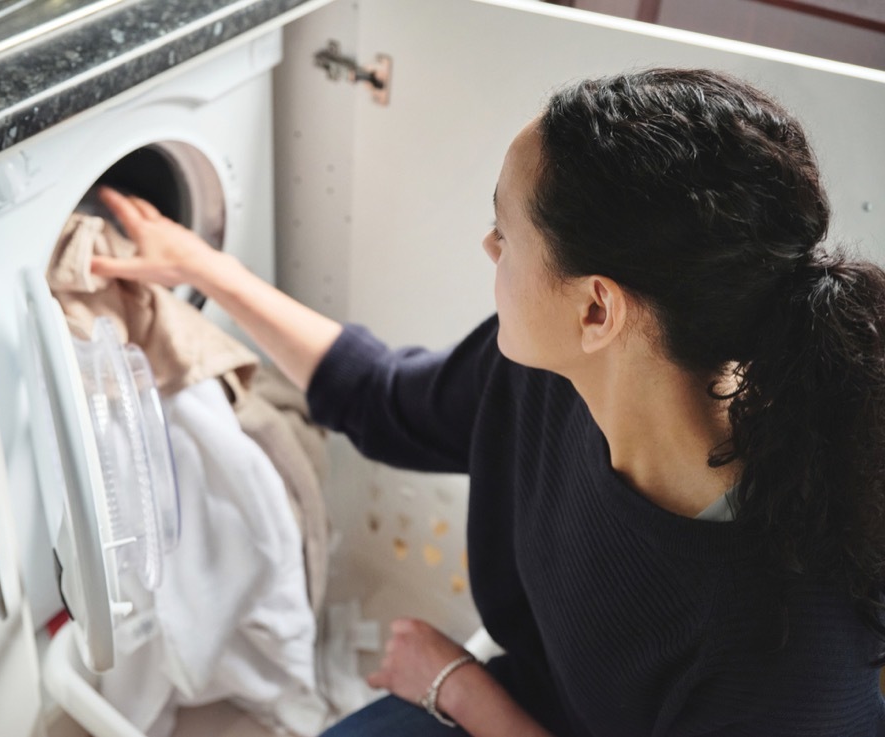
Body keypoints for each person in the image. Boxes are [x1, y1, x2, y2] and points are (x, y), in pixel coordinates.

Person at [92, 68, 885, 736]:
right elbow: (382, 396)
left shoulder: (785, 653)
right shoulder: (559, 373)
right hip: (539, 701)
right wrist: (198, 264)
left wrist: (463, 690)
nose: (487, 247)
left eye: (504, 231)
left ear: (597, 309)